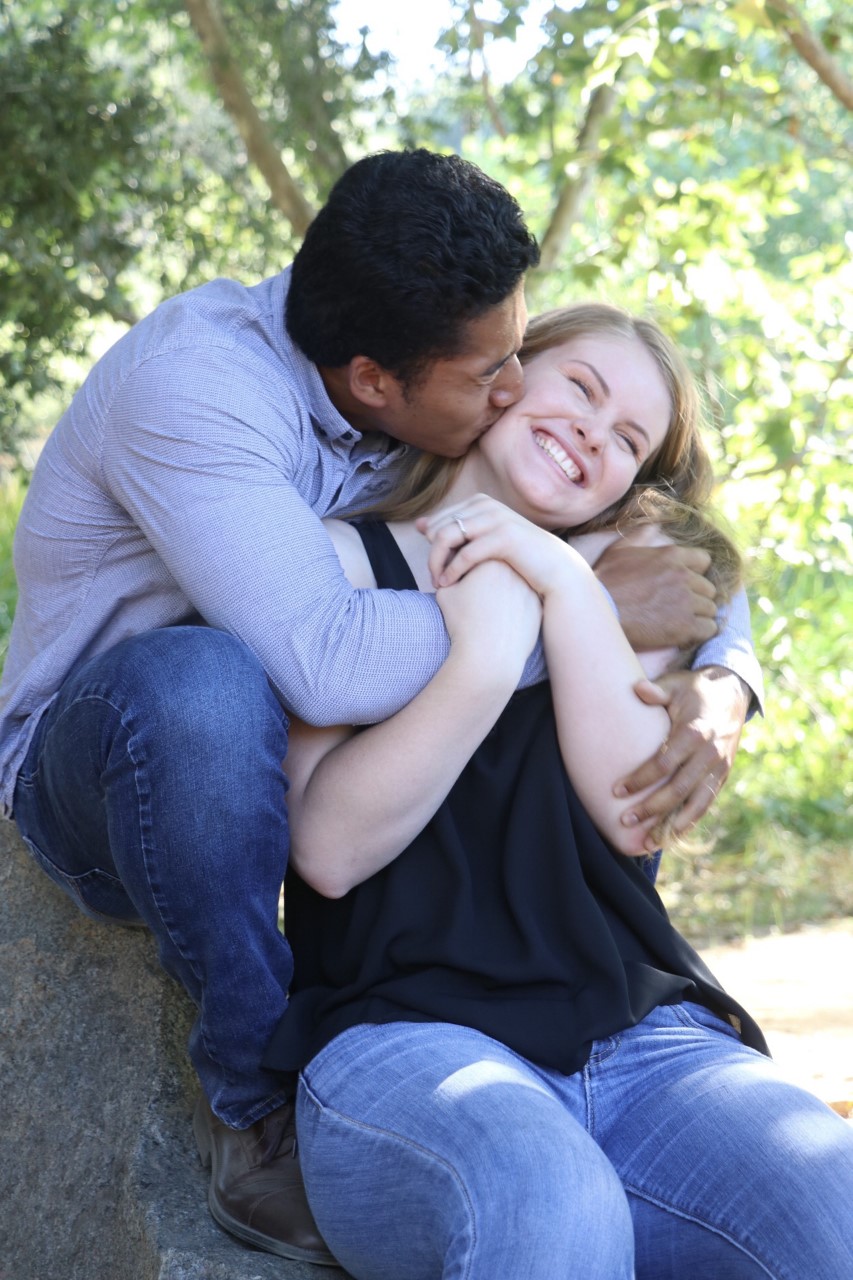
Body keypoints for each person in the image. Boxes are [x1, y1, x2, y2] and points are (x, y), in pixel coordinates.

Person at [0, 152, 757, 1263]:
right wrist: (574, 602)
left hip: (297, 770)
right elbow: (324, 662)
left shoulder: (422, 373)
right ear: (373, 385)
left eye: (519, 351)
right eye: (492, 371)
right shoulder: (200, 391)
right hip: (116, 764)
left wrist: (727, 674)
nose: (512, 386)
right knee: (204, 683)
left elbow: (676, 535)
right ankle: (252, 1096)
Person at [263, 303, 853, 1278]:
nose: (591, 432)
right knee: (551, 1202)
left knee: (830, 1198)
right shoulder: (339, 559)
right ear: (506, 372)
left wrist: (560, 578)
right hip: (405, 1038)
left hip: (642, 1037)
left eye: (626, 439)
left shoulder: (638, 578)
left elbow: (631, 810)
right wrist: (486, 652)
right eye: (581, 387)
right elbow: (326, 849)